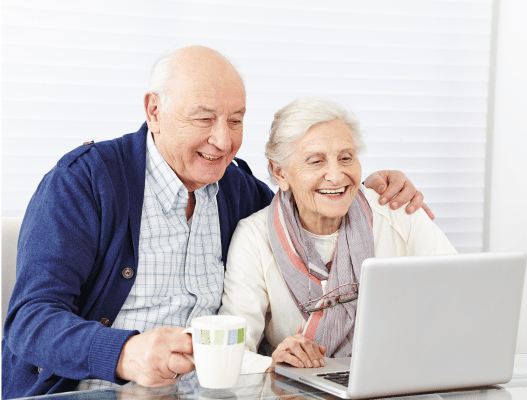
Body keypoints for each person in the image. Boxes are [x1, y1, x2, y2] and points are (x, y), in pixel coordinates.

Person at [2, 46, 429, 399]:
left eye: (236, 120)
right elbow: (28, 321)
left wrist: (366, 189)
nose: (223, 141)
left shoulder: (237, 190)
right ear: (154, 111)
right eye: (204, 119)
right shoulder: (85, 182)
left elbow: (301, 204)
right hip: (96, 390)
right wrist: (123, 352)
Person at [218, 97, 457, 374]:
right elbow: (230, 351)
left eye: (346, 158)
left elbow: (460, 298)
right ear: (279, 172)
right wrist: (274, 364)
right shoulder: (254, 237)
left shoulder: (398, 211)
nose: (336, 175)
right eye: (316, 161)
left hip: (401, 376)